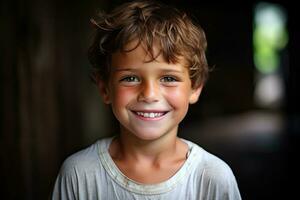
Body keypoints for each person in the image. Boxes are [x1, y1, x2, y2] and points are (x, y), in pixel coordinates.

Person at [51, 0, 242, 199]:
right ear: (105, 88)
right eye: (130, 78)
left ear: (194, 89)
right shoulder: (79, 174)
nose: (149, 94)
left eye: (169, 78)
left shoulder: (212, 178)